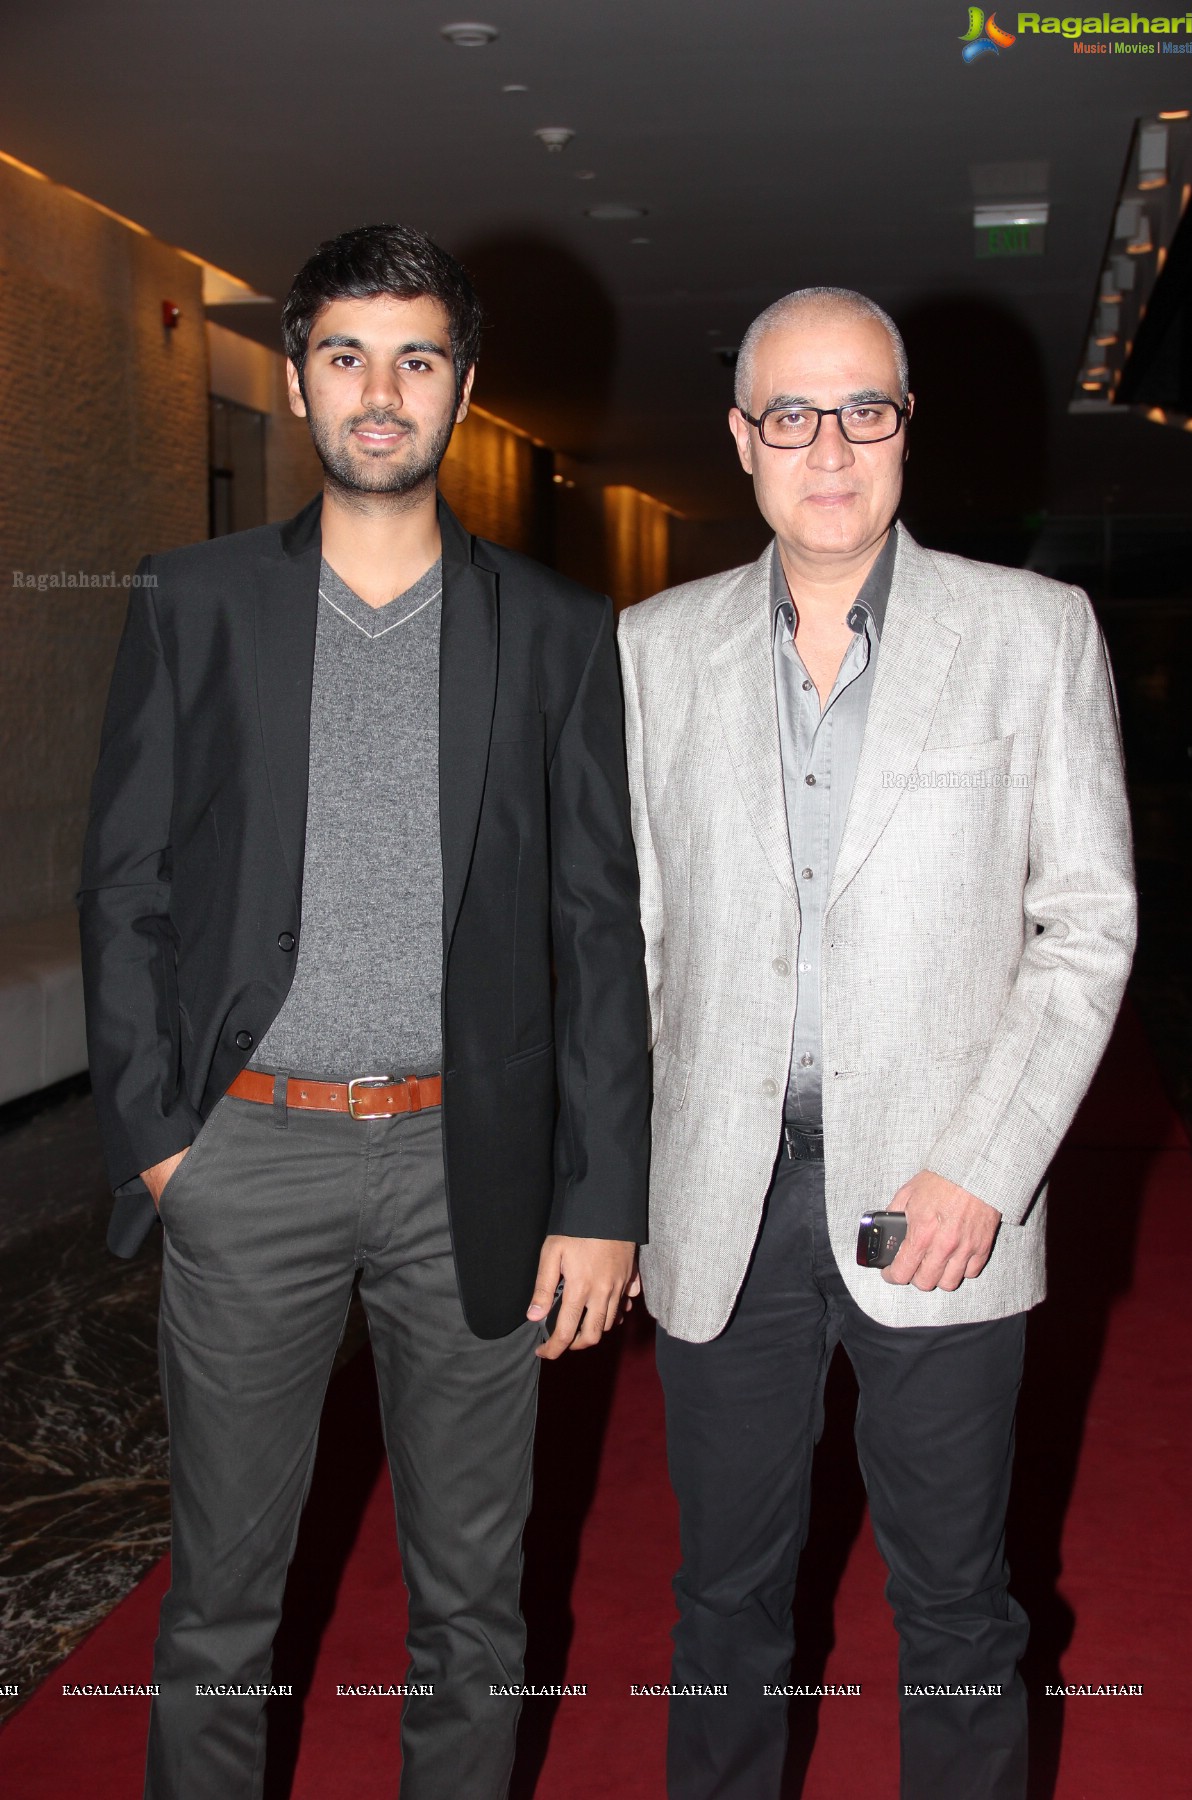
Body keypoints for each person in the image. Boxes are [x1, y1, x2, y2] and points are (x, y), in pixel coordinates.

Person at [78, 223, 649, 1800]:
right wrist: (160, 1144)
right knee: (219, 1608)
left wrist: (601, 1201)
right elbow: (124, 881)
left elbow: (601, 925)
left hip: (473, 1167)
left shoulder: (552, 631)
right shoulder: (192, 600)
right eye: (344, 356)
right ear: (296, 377)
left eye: (414, 358)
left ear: (464, 388)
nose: (377, 392)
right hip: (248, 1156)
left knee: (475, 1605)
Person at [616, 286, 1135, 1800]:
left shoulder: (1033, 634)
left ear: (907, 428)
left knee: (958, 1604)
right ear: (740, 438)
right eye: (791, 411)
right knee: (721, 1602)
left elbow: (1087, 926)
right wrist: (623, 1187)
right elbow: (630, 946)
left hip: (946, 1193)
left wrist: (987, 1166)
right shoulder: (654, 651)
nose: (827, 444)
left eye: (864, 409)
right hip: (722, 1194)